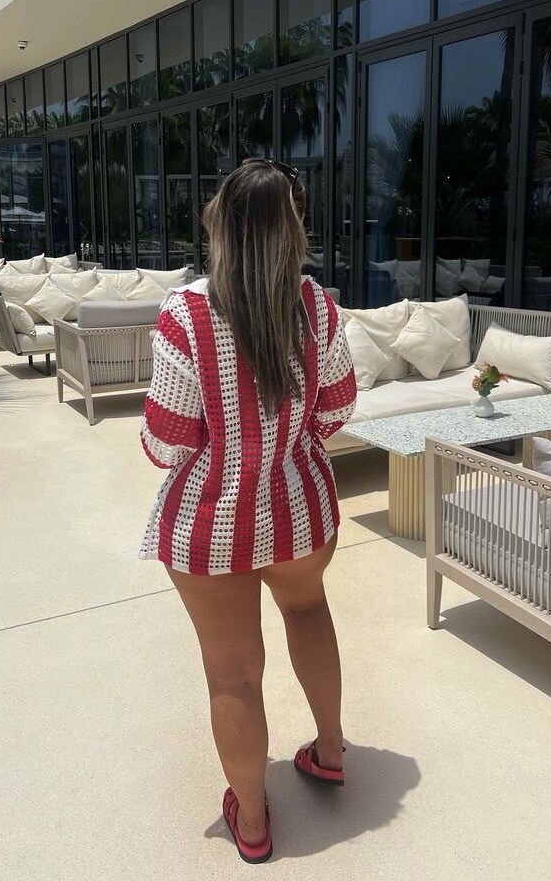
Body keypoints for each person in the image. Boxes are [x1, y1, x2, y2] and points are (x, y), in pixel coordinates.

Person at [139, 159, 357, 864]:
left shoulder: (186, 315)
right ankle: (330, 752)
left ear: (220, 223)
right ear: (297, 228)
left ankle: (255, 824)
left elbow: (168, 443)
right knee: (309, 611)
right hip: (300, 508)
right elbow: (338, 410)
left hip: (211, 525)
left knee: (232, 673)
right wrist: (289, 443)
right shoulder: (318, 306)